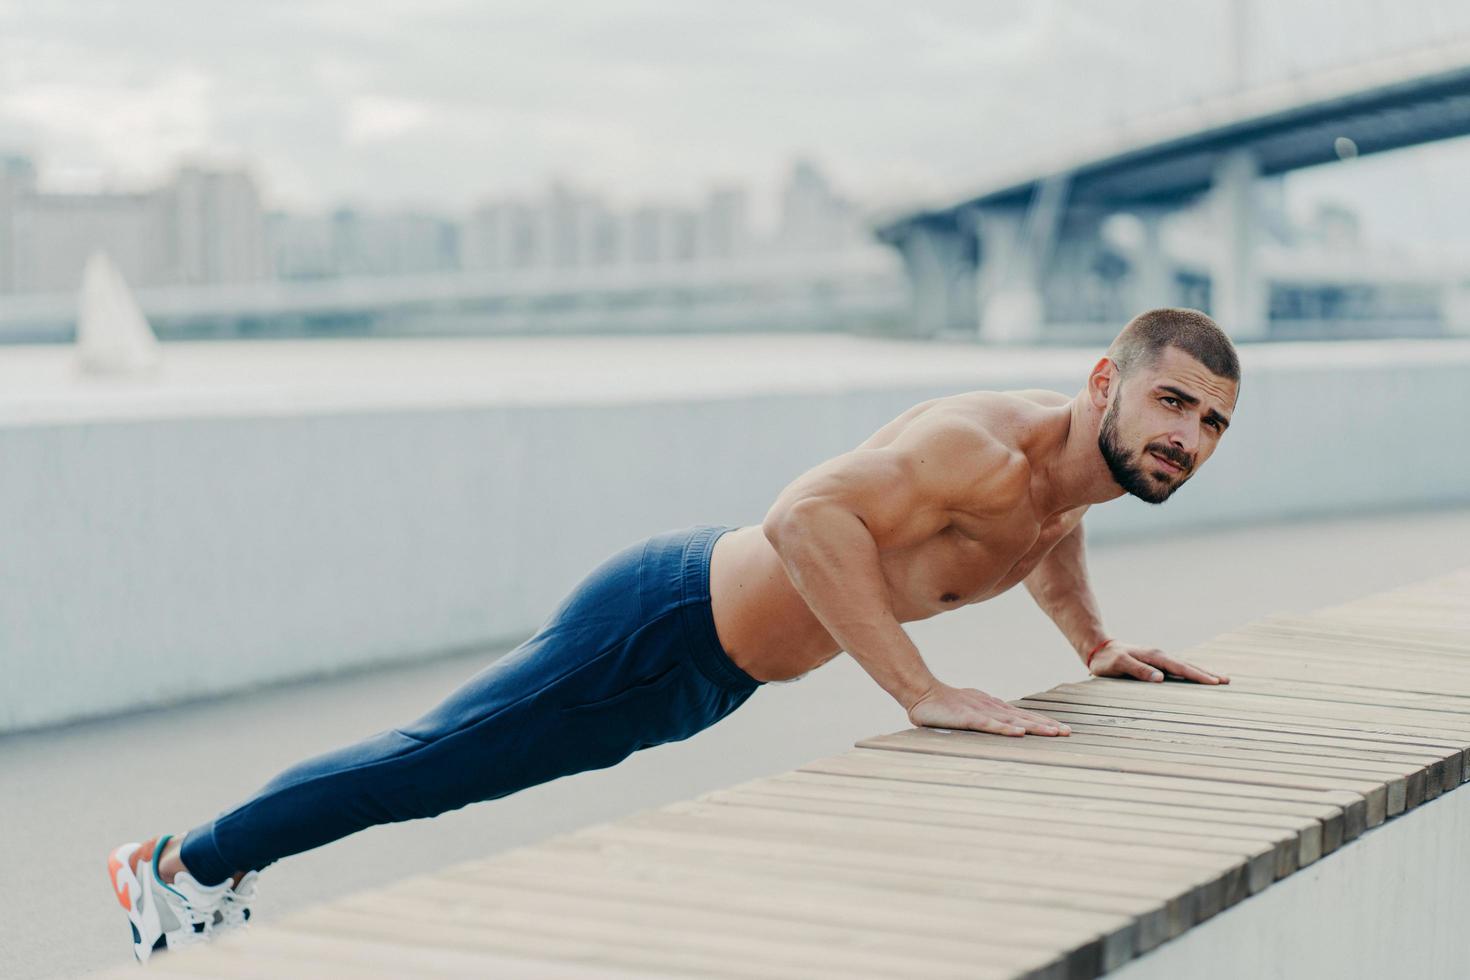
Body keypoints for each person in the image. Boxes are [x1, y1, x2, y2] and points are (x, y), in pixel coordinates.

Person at [108, 307, 1239, 961]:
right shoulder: (978, 448)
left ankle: (203, 861)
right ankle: (174, 866)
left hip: (705, 674)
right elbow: (806, 515)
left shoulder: (1065, 480)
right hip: (659, 620)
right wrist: (919, 687)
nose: (1188, 437)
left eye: (1212, 424)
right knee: (432, 764)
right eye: (1173, 404)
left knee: (455, 773)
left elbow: (1053, 529)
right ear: (1107, 382)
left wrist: (1092, 644)